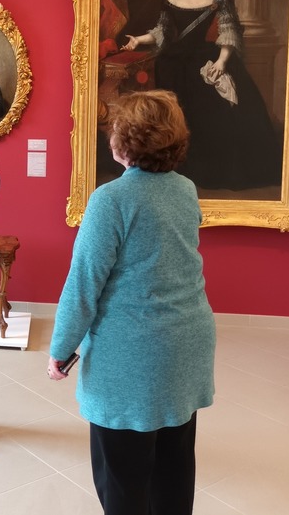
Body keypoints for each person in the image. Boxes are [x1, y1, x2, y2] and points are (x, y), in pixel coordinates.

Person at [48, 90, 216, 515]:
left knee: (122, 478)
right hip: (187, 343)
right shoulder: (185, 189)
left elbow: (83, 285)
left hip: (132, 354)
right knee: (174, 467)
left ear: (123, 141)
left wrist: (60, 349)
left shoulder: (111, 200)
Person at [121, 0, 282, 191]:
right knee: (178, 116)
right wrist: (138, 41)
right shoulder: (172, 0)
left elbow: (229, 32)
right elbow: (162, 31)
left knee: (216, 118)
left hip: (207, 61)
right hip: (176, 66)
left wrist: (221, 62)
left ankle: (213, 173)